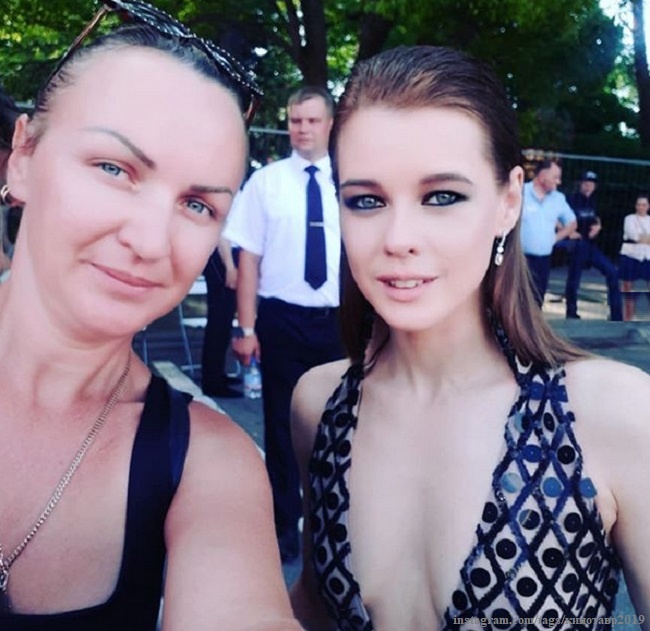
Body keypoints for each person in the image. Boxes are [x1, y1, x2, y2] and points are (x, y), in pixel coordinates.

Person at [289, 45, 650, 631]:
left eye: (442, 197)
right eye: (367, 200)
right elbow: (310, 605)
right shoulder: (319, 405)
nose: (398, 237)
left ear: (509, 201)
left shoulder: (614, 412)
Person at [0, 2, 302, 629]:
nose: (150, 241)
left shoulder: (209, 466)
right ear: (22, 157)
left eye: (197, 206)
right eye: (114, 169)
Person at [224, 86, 344, 563]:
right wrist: (246, 328)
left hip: (338, 322)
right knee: (280, 425)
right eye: (295, 120)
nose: (302, 129)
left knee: (338, 426)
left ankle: (331, 525)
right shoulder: (266, 183)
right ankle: (284, 526)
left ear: (330, 124)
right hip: (281, 320)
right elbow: (248, 260)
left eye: (312, 121)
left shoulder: (352, 183)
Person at [564, 170, 622, 320]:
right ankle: (571, 312)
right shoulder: (571, 199)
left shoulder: (594, 201)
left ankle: (616, 315)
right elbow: (558, 217)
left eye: (591, 183)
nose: (588, 185)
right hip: (576, 244)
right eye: (586, 182)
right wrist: (568, 232)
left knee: (612, 272)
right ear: (580, 184)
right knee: (574, 278)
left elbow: (596, 219)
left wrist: (598, 226)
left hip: (590, 245)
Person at [520, 159, 577, 306]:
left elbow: (572, 223)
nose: (558, 181)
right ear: (542, 175)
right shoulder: (520, 192)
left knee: (537, 301)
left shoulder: (558, 199)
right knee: (515, 301)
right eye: (555, 177)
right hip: (519, 258)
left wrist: (554, 238)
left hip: (543, 261)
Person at [200, 237, 242, 398]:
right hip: (221, 256)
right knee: (219, 320)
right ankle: (212, 381)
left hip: (229, 255)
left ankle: (218, 373)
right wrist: (230, 267)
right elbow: (222, 234)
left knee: (224, 320)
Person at [619, 193, 650, 321]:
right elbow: (633, 235)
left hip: (647, 256)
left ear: (648, 206)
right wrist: (644, 238)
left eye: (644, 205)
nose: (641, 207)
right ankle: (627, 319)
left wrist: (643, 238)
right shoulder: (629, 219)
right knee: (628, 290)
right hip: (630, 255)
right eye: (639, 205)